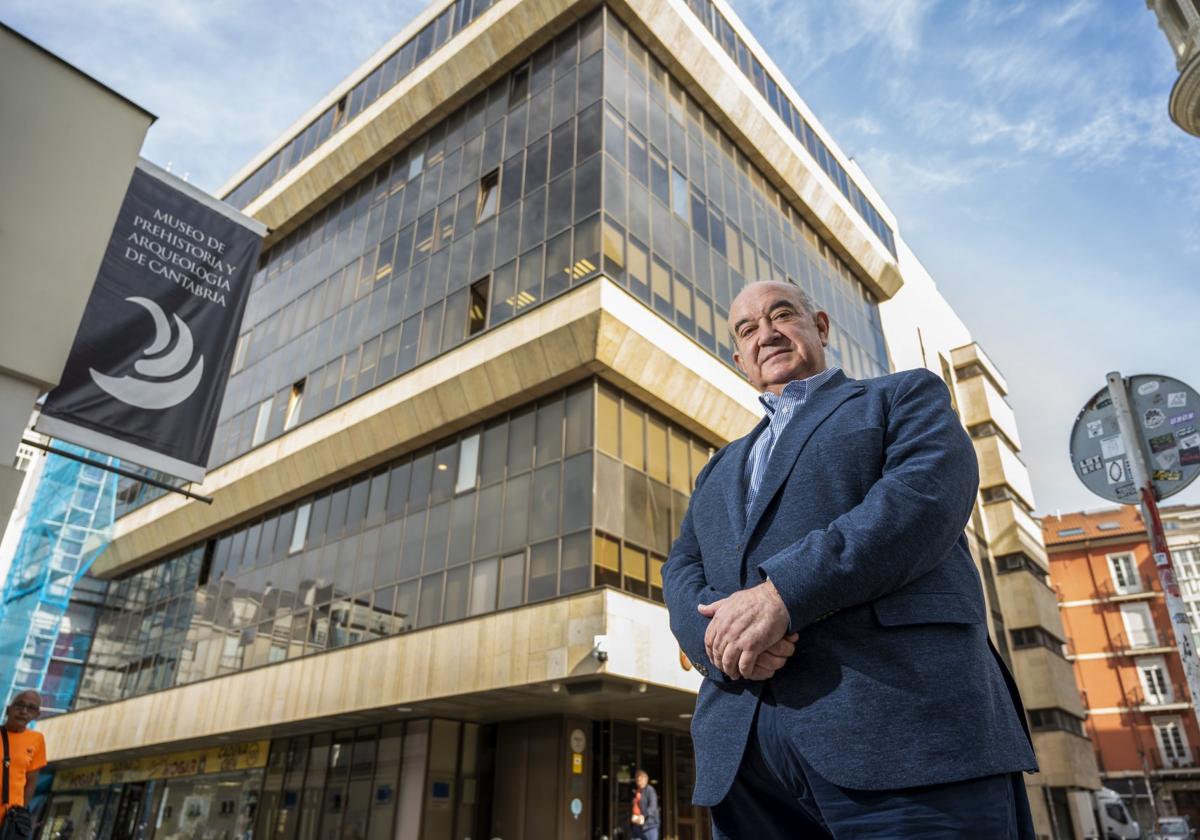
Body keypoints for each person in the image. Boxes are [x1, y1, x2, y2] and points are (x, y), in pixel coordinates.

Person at [662, 281, 1038, 838]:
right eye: (747, 330)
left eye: (780, 315)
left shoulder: (904, 396)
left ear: (819, 326)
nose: (765, 333)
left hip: (905, 735)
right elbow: (681, 569)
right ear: (738, 358)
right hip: (746, 764)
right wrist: (719, 645)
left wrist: (781, 595)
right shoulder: (719, 467)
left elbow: (921, 500)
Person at [1, 691, 46, 834]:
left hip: (8, 821)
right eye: (19, 705)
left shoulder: (37, 740)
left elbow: (31, 782)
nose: (23, 711)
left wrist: (19, 812)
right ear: (9, 709)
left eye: (31, 708)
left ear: (36, 715)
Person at [630, 769, 659, 840]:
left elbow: (653, 807)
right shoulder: (635, 792)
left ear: (646, 779)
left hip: (649, 826)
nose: (639, 781)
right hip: (637, 826)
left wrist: (643, 816)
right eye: (637, 779)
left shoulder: (650, 790)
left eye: (640, 778)